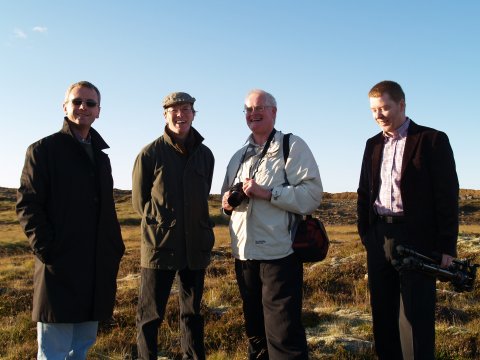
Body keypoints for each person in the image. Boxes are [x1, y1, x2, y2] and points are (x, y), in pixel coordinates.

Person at [16, 80, 125, 359]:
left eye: (90, 103)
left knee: (82, 348)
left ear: (99, 111)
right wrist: (48, 249)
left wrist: (114, 248)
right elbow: (28, 205)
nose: (83, 107)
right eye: (77, 101)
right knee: (53, 350)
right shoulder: (43, 151)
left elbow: (106, 209)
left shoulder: (102, 159)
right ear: (65, 107)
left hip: (95, 269)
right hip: (59, 269)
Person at [357, 80, 459, 359]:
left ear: (402, 105)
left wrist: (447, 246)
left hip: (418, 240)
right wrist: (367, 234)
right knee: (383, 316)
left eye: (385, 107)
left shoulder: (432, 140)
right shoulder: (372, 144)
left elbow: (447, 196)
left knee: (415, 317)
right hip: (380, 238)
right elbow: (365, 192)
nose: (379, 115)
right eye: (373, 110)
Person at [221, 89, 323, 359]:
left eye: (259, 108)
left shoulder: (292, 146)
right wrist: (227, 204)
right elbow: (225, 202)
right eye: (248, 109)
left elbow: (312, 196)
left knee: (283, 334)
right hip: (243, 254)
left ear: (274, 112)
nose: (253, 114)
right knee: (255, 333)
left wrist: (268, 193)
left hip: (279, 255)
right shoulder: (238, 156)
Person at [132, 92, 215, 360]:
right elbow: (140, 202)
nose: (180, 114)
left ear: (194, 113)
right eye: (174, 110)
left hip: (195, 249)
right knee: (150, 316)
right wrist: (163, 226)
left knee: (192, 314)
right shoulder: (149, 154)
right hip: (159, 248)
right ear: (165, 115)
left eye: (186, 109)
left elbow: (202, 195)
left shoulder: (206, 155)